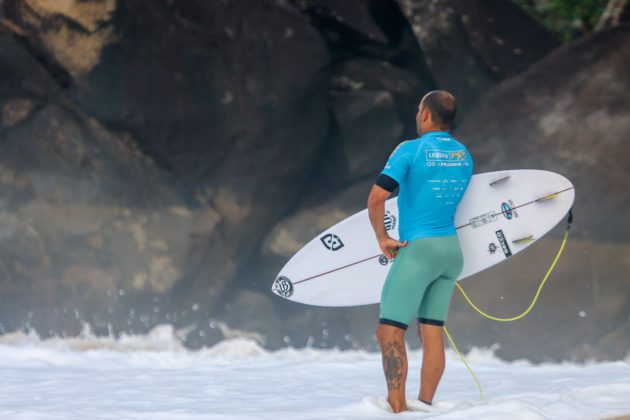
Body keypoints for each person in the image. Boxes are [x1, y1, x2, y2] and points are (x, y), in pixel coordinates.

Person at [367, 90, 473, 413]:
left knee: (388, 331)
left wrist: (383, 238)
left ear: (426, 114)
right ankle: (426, 407)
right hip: (451, 252)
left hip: (420, 251)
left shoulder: (410, 150)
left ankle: (397, 410)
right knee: (432, 335)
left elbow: (376, 199)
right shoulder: (464, 155)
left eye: (418, 110)